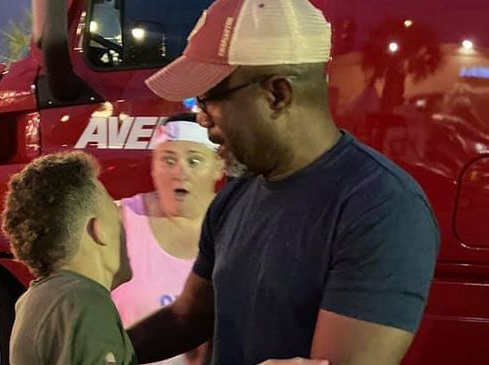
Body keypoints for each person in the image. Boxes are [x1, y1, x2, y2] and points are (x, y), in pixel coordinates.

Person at [128, 1, 440, 365]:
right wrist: (93, 353)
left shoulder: (382, 209)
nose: (202, 120)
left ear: (277, 94)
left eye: (210, 100)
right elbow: (190, 317)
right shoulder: (238, 193)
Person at [2, 151, 137, 365]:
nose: (126, 228)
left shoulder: (36, 300)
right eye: (115, 213)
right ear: (98, 230)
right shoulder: (86, 305)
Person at [112, 113, 222, 365]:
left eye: (194, 161)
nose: (179, 172)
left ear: (219, 167)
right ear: (152, 167)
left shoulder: (238, 224)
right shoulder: (119, 222)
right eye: (168, 160)